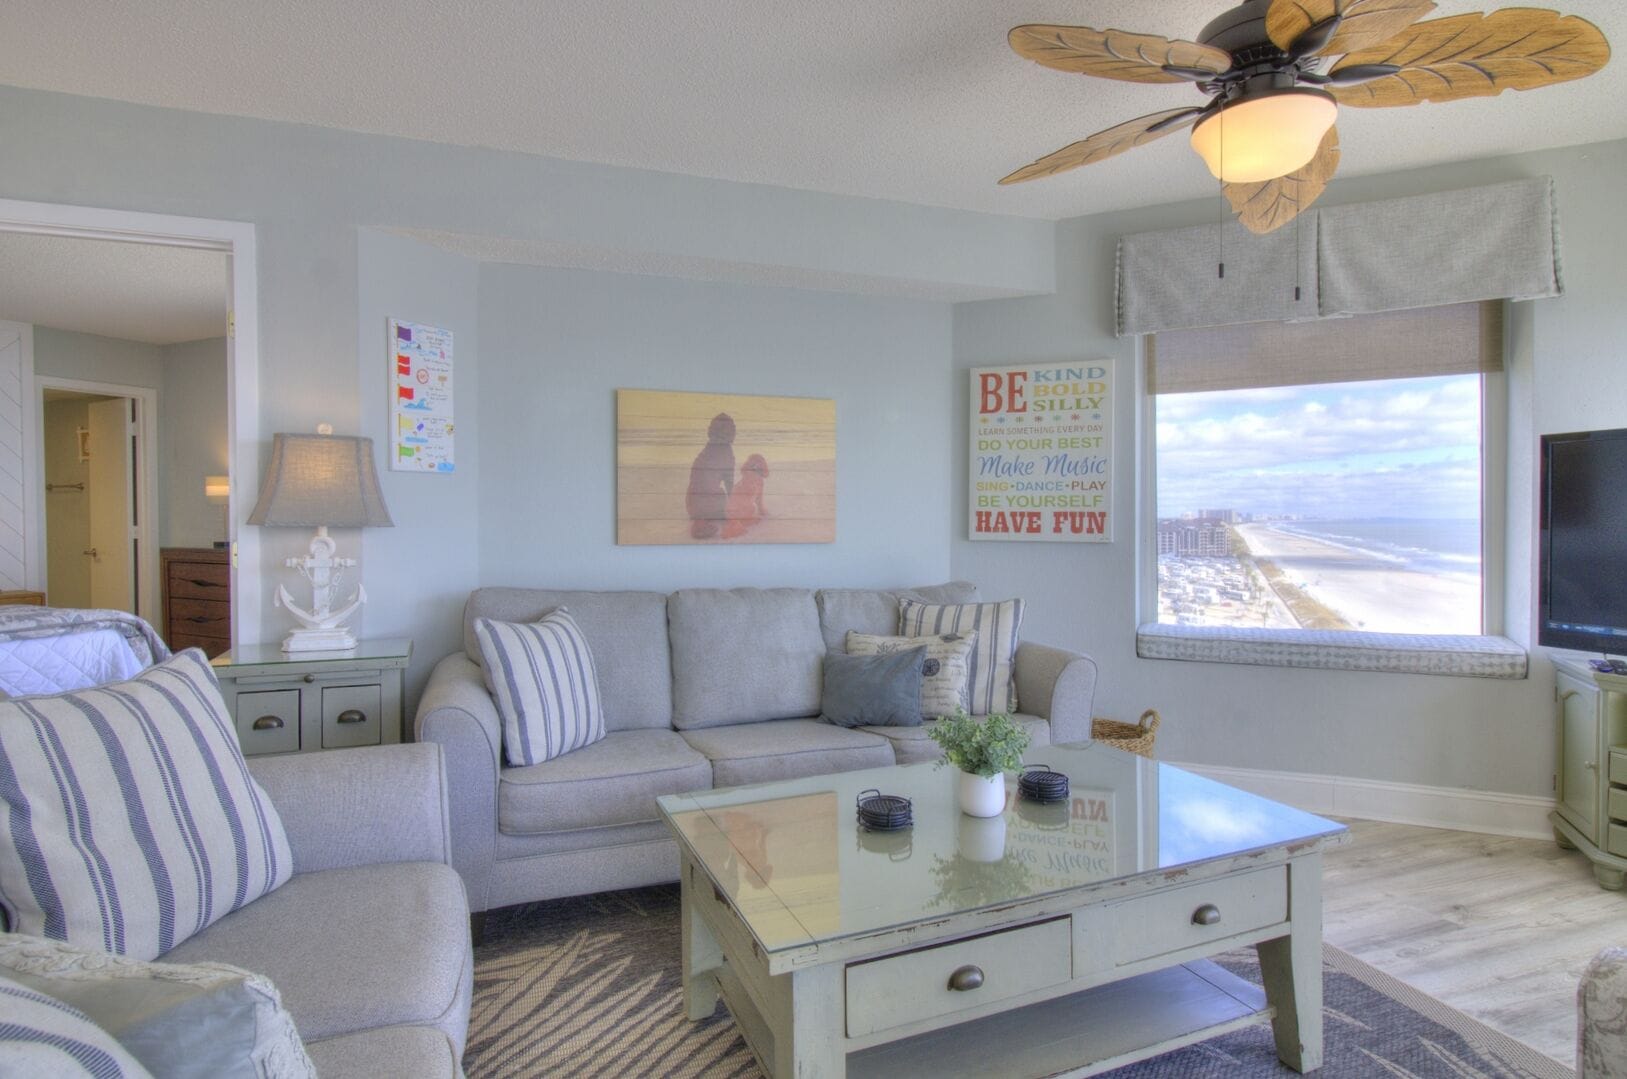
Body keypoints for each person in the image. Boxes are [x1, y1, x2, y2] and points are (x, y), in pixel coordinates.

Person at [684, 413, 735, 539]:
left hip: (692, 504)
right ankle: (703, 523)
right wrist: (733, 506)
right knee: (721, 494)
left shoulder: (708, 449)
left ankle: (701, 520)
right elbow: (729, 482)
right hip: (710, 505)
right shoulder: (726, 452)